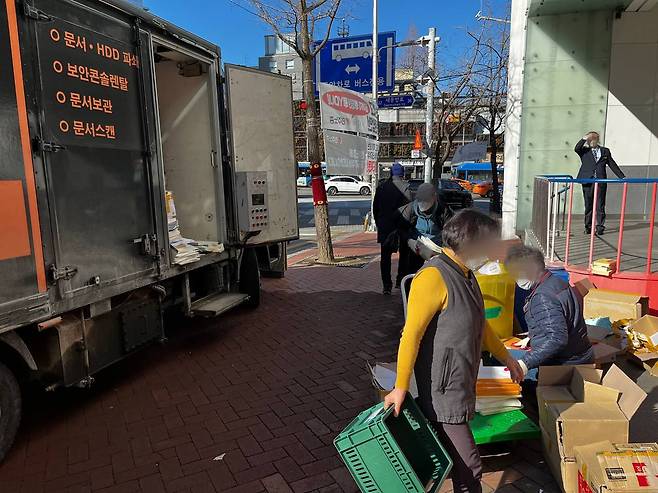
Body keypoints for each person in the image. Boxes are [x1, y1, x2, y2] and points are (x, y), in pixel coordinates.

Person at [385, 209, 523, 493]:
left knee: (456, 464)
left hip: (460, 383)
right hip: (442, 391)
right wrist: (400, 386)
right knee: (470, 466)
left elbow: (481, 325)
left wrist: (508, 358)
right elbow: (410, 335)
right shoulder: (433, 277)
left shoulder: (467, 274)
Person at [505, 245, 594, 378]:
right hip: (580, 355)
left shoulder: (542, 297)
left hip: (565, 364)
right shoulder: (556, 282)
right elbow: (558, 318)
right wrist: (532, 336)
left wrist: (525, 363)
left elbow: (557, 338)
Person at [575, 131, 625, 235]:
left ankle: (600, 227)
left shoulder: (605, 151)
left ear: (597, 140)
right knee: (588, 205)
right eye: (589, 140)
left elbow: (612, 164)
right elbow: (576, 148)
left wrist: (622, 176)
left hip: (601, 181)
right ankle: (588, 227)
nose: (590, 142)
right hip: (588, 181)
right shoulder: (584, 150)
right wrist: (584, 138)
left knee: (600, 205)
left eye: (593, 139)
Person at [373, 163, 412, 295]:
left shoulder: (381, 187)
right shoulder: (406, 188)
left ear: (391, 173)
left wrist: (380, 224)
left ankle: (386, 286)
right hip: (402, 227)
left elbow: (375, 209)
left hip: (385, 227)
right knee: (404, 255)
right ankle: (400, 280)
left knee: (385, 257)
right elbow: (410, 210)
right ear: (402, 174)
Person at [398, 182, 453, 275]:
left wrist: (444, 247)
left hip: (436, 246)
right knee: (412, 272)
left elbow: (450, 232)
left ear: (434, 197)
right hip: (416, 246)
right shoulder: (409, 209)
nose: (424, 206)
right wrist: (410, 241)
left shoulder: (443, 210)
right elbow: (401, 229)